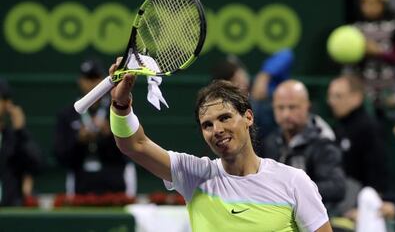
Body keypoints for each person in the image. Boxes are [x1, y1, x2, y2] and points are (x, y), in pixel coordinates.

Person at [109, 57, 332, 231]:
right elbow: (134, 144)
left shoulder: (293, 181)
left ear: (248, 117)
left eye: (225, 118)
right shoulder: (194, 175)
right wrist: (120, 104)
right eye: (207, 125)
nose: (217, 130)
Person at [54, 58, 136, 197]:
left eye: (95, 78)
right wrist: (79, 140)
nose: (91, 83)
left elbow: (132, 151)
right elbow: (60, 154)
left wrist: (111, 134)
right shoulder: (67, 115)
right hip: (80, 187)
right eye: (87, 78)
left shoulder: (119, 111)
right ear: (80, 81)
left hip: (114, 186)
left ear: (102, 80)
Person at [262, 79, 346, 214]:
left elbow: (336, 187)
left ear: (307, 106)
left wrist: (292, 190)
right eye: (280, 108)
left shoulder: (322, 141)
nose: (286, 114)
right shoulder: (271, 141)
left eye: (292, 107)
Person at [327, 73, 389, 195]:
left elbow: (378, 172)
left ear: (357, 97)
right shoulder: (338, 127)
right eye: (330, 96)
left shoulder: (368, 128)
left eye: (338, 96)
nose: (331, 102)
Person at [0, 79, 43, 206]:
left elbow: (36, 163)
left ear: (7, 104)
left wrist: (20, 131)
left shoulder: (15, 139)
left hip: (10, 210)